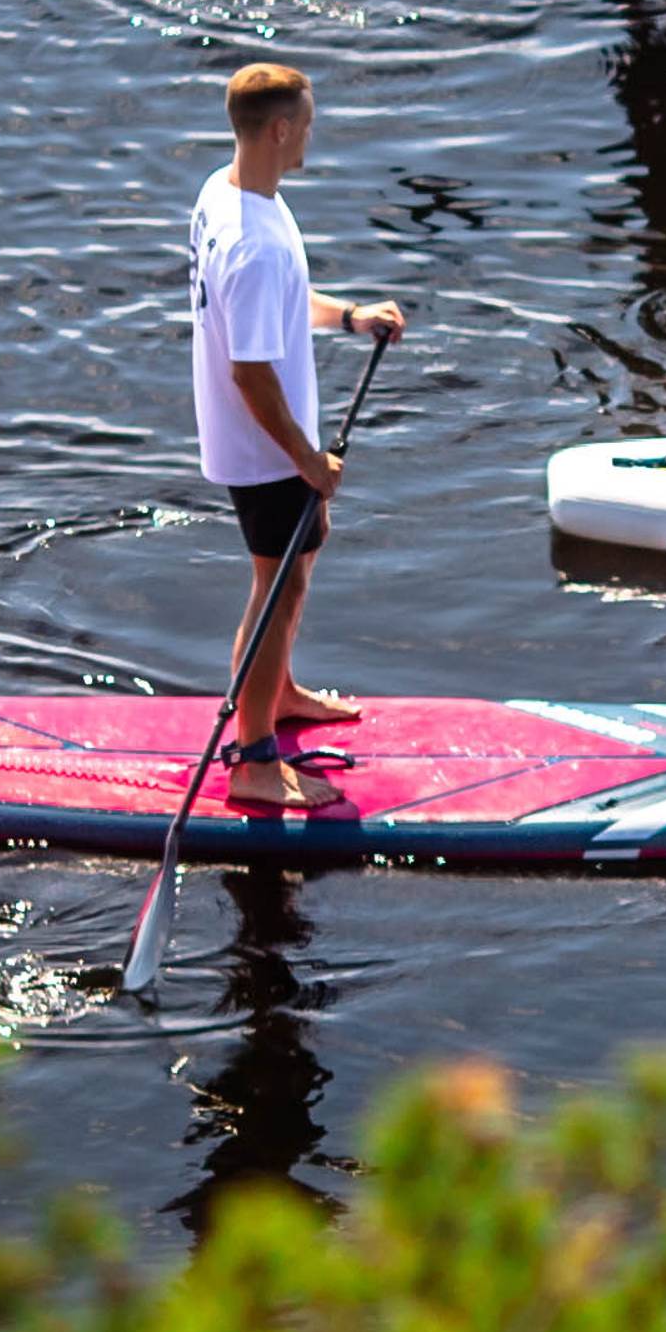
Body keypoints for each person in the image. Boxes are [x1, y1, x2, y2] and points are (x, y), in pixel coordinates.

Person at [190, 63, 404, 794]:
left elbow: (280, 304)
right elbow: (252, 373)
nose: (313, 134)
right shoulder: (256, 245)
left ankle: (276, 694)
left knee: (294, 570)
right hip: (262, 447)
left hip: (261, 438)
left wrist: (348, 317)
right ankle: (251, 758)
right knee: (274, 591)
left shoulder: (228, 191)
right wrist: (308, 460)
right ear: (280, 130)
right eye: (308, 123)